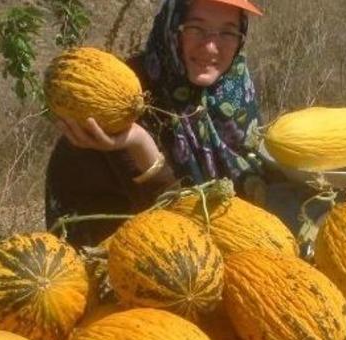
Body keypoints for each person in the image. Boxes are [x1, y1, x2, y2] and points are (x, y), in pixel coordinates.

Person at [46, 0, 268, 248]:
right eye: (196, 28)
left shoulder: (235, 90)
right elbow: (170, 229)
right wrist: (139, 143)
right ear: (172, 25)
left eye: (227, 32)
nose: (210, 46)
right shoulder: (124, 97)